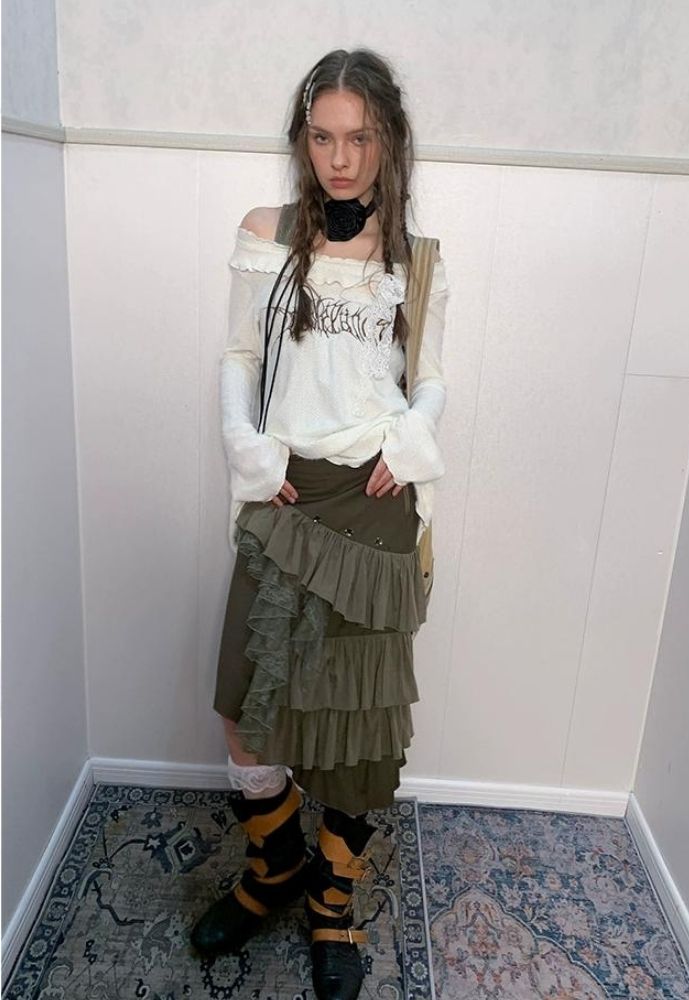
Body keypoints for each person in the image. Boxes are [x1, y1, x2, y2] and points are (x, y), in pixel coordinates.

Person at [190, 48, 448, 1000]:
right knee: (244, 708)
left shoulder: (414, 259)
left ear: (389, 142)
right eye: (324, 138)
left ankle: (332, 904)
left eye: (360, 139)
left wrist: (412, 441)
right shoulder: (266, 234)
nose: (340, 160)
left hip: (374, 510)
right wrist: (248, 450)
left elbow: (430, 377)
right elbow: (237, 355)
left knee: (357, 732)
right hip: (285, 496)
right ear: (304, 139)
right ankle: (276, 869)